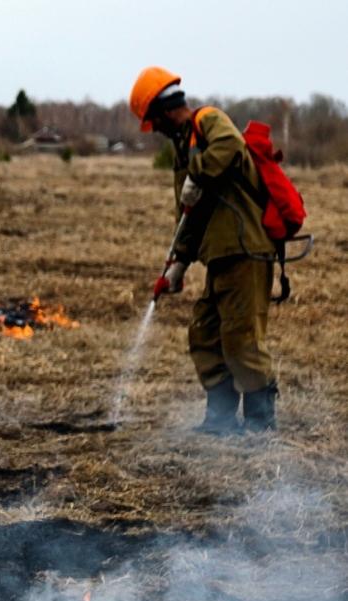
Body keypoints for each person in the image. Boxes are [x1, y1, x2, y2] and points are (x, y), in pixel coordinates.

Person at [131, 67, 278, 433]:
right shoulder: (185, 147)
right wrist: (178, 263)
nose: (157, 131)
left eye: (154, 122)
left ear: (164, 113)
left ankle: (261, 424)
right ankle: (220, 419)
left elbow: (230, 146)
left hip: (245, 250)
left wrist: (197, 175)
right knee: (204, 334)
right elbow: (190, 215)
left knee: (241, 337)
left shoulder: (209, 120)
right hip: (220, 257)